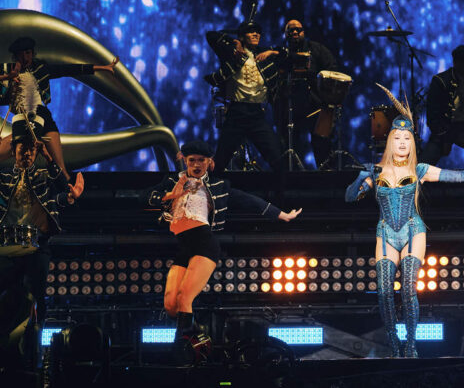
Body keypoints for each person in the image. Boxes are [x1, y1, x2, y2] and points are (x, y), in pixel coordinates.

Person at [345, 85, 464, 357]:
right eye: (397, 137)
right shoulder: (376, 171)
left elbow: (456, 176)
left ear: (412, 143)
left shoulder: (419, 170)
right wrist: (360, 177)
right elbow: (350, 197)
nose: (402, 142)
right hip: (385, 232)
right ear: (390, 140)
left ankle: (411, 345)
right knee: (384, 291)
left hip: (412, 230)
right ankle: (394, 344)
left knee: (408, 288)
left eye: (407, 138)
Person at [142, 140, 301, 357]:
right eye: (192, 160)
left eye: (201, 160)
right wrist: (169, 196)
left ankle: (179, 350)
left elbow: (249, 200)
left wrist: (282, 214)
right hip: (184, 247)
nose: (196, 165)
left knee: (184, 297)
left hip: (205, 244)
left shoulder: (219, 186)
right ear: (184, 161)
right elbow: (145, 197)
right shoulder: (172, 182)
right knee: (171, 305)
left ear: (209, 162)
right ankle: (197, 330)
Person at [0, 118, 85, 326]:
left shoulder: (42, 178)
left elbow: (59, 193)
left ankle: (33, 336)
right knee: (1, 298)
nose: (28, 154)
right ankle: (1, 338)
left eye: (32, 150)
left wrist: (49, 159)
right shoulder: (4, 178)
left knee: (35, 297)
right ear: (14, 151)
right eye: (23, 149)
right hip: (6, 245)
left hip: (36, 247)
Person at [0, 36, 119, 180]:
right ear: (15, 56)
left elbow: (68, 69)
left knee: (60, 170)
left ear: (32, 53)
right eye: (21, 54)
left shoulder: (41, 68)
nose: (25, 58)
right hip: (22, 121)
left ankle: (68, 193)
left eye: (28, 53)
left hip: (42, 118)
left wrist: (102, 68)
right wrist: (7, 76)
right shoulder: (6, 69)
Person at [204, 21, 285, 172]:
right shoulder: (232, 53)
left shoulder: (264, 55)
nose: (256, 34)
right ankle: (212, 186)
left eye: (257, 32)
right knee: (220, 161)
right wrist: (235, 42)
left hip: (256, 113)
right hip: (236, 112)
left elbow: (287, 55)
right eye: (251, 32)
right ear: (242, 36)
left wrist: (272, 53)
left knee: (277, 159)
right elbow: (211, 35)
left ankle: (280, 188)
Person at [274, 19, 338, 168]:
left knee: (321, 143)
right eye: (291, 30)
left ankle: (326, 175)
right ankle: (293, 175)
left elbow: (332, 69)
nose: (295, 32)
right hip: (291, 105)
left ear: (304, 31)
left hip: (316, 104)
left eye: (298, 29)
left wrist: (319, 82)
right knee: (291, 142)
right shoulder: (282, 54)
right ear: (286, 34)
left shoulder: (317, 49)